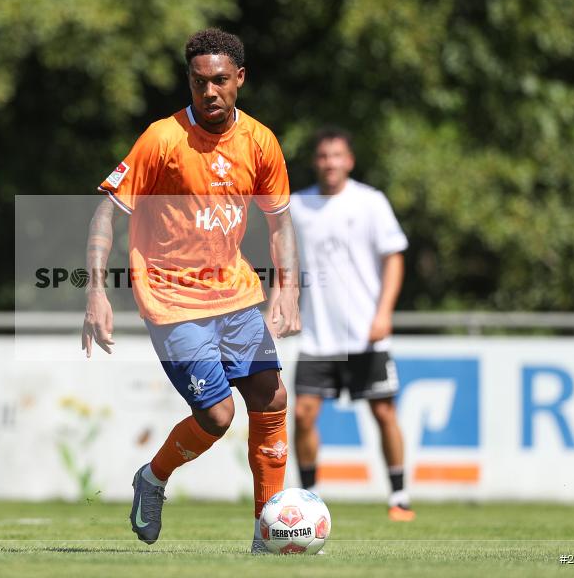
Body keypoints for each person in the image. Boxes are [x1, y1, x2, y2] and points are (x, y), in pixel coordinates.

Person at [82, 28, 301, 553]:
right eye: (200, 82)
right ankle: (153, 478)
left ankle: (266, 538)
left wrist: (286, 287)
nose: (210, 92)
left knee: (272, 398)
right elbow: (105, 211)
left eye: (221, 81)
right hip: (172, 300)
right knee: (218, 416)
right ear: (189, 81)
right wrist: (95, 291)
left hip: (235, 294)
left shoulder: (261, 142)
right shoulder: (162, 139)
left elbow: (279, 223)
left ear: (240, 79)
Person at [288, 126, 415, 521]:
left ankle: (399, 496)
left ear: (350, 161)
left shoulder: (370, 202)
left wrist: (383, 313)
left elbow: (394, 257)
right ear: (316, 161)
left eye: (337, 156)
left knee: (384, 413)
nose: (330, 163)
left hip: (365, 332)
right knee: (304, 414)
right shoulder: (296, 205)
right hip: (317, 334)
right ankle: (310, 498)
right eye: (323, 156)